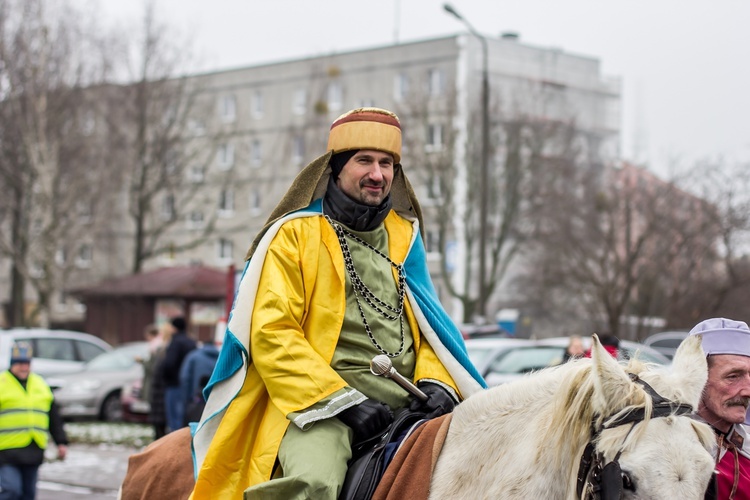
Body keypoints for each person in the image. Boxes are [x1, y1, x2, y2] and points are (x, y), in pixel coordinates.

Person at [189, 107, 486, 499]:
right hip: (321, 408)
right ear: (336, 167)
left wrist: (437, 383)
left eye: (386, 163)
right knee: (315, 483)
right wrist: (343, 403)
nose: (377, 174)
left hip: (410, 403)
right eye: (364, 160)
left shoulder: (404, 237)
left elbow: (432, 329)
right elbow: (272, 333)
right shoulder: (293, 235)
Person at [689, 317, 750, 499]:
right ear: (697, 378)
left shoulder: (746, 448)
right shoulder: (670, 454)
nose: (748, 391)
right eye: (733, 376)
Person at [0, 342, 68, 500]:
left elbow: (53, 416)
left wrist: (61, 442)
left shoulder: (40, 383)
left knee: (28, 495)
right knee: (12, 490)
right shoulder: (2, 383)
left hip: (33, 449)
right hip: (6, 450)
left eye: (27, 363)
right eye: (20, 363)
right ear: (12, 364)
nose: (24, 367)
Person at [161, 316, 196, 433]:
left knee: (174, 419)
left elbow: (169, 364)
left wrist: (165, 377)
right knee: (184, 417)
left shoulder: (175, 342)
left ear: (174, 328)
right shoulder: (191, 342)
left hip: (174, 384)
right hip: (189, 384)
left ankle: (175, 445)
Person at [179, 340, 219, 426]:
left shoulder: (193, 356)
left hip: (195, 400)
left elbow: (184, 378)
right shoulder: (221, 358)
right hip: (214, 403)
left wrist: (186, 400)